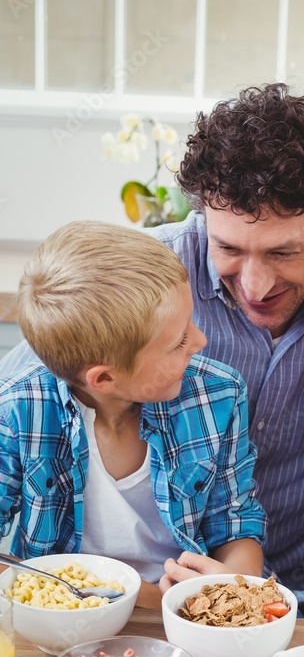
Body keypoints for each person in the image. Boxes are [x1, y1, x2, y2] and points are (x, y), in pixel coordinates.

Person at [150, 83, 304, 609]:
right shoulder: (145, 273)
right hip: (149, 596)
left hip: (294, 598)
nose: (256, 285)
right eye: (228, 248)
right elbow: (23, 395)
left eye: (284, 252)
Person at [0, 222, 266, 609]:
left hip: (183, 616)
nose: (200, 341)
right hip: (61, 622)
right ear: (104, 378)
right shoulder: (17, 411)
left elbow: (236, 524)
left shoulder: (218, 396)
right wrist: (143, 596)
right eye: (177, 342)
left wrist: (233, 587)